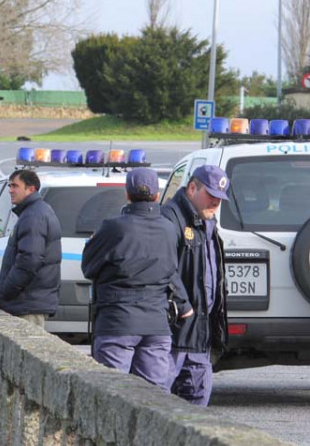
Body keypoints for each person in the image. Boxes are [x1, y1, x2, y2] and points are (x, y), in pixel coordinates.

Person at [81, 168, 192, 390]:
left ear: (127, 193)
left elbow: (89, 267)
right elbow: (171, 270)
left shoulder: (113, 227)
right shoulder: (169, 229)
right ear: (156, 194)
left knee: (112, 392)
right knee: (153, 397)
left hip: (117, 322)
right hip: (157, 324)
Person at [161, 165, 230, 406]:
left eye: (220, 199)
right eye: (211, 196)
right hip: (176, 330)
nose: (215, 203)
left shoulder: (207, 221)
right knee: (159, 402)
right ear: (192, 188)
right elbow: (163, 266)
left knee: (198, 404)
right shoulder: (171, 217)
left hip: (201, 332)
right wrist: (183, 305)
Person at [0, 169, 61, 328]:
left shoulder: (33, 216)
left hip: (27, 304)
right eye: (9, 186)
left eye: (15, 186)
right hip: (28, 302)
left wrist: (7, 290)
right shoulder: (34, 212)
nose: (10, 190)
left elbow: (30, 259)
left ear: (31, 189)